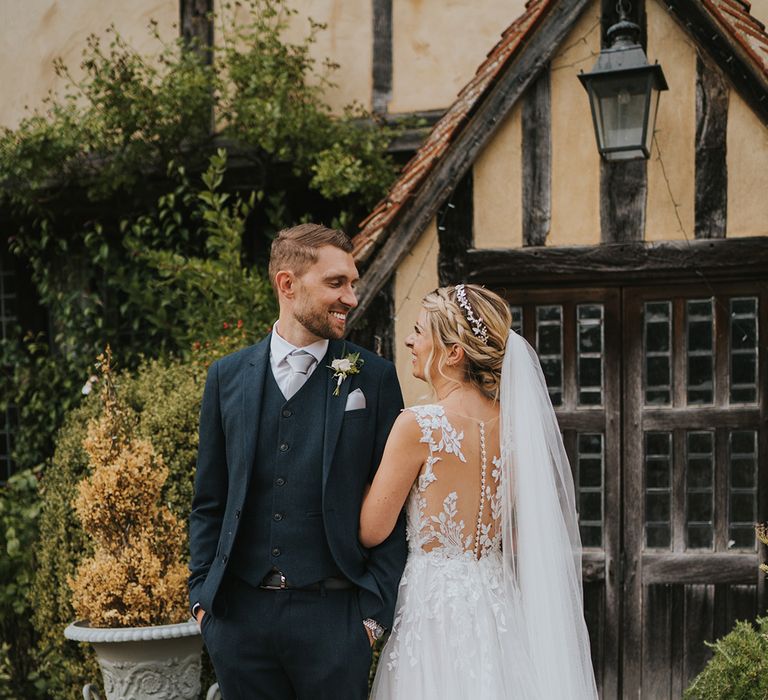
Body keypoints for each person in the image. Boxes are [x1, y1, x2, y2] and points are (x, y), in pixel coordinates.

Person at [188, 223, 407, 700]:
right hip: (238, 621)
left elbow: (397, 504)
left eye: (352, 282)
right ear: (287, 284)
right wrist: (202, 601)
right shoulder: (226, 377)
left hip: (336, 622)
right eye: (336, 283)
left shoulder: (372, 377)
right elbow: (210, 499)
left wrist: (372, 617)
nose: (351, 297)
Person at [360, 284, 598, 699]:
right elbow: (521, 538)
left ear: (453, 352)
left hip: (432, 608)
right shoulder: (517, 427)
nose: (410, 341)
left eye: (419, 331)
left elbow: (372, 530)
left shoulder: (419, 425)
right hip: (496, 605)